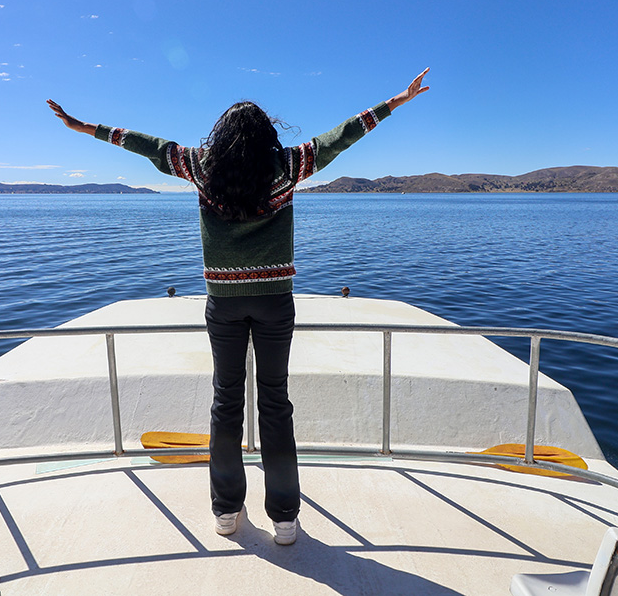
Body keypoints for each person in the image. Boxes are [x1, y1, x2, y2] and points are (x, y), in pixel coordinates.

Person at [46, 68, 429, 545]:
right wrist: (394, 103)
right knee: (276, 405)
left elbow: (144, 143)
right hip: (275, 304)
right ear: (268, 135)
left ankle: (226, 512)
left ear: (221, 136)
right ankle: (285, 518)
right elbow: (341, 137)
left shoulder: (200, 167)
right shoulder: (289, 167)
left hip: (223, 305)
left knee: (225, 403)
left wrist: (87, 129)